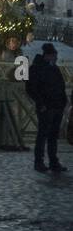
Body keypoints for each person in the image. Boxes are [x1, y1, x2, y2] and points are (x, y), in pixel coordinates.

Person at [28, 42, 68, 173]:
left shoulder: (52, 68)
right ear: (48, 56)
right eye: (54, 56)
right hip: (46, 107)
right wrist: (41, 104)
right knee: (43, 135)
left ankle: (53, 161)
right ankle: (39, 162)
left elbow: (60, 86)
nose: (55, 58)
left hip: (56, 106)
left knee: (52, 135)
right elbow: (31, 89)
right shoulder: (37, 68)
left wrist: (63, 102)